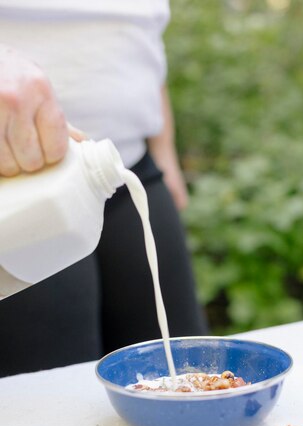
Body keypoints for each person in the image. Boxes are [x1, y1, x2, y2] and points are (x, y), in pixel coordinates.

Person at [0, 1, 208, 377]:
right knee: (51, 392)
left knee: (184, 367)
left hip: (130, 171)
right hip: (22, 187)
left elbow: (139, 35)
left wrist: (164, 149)